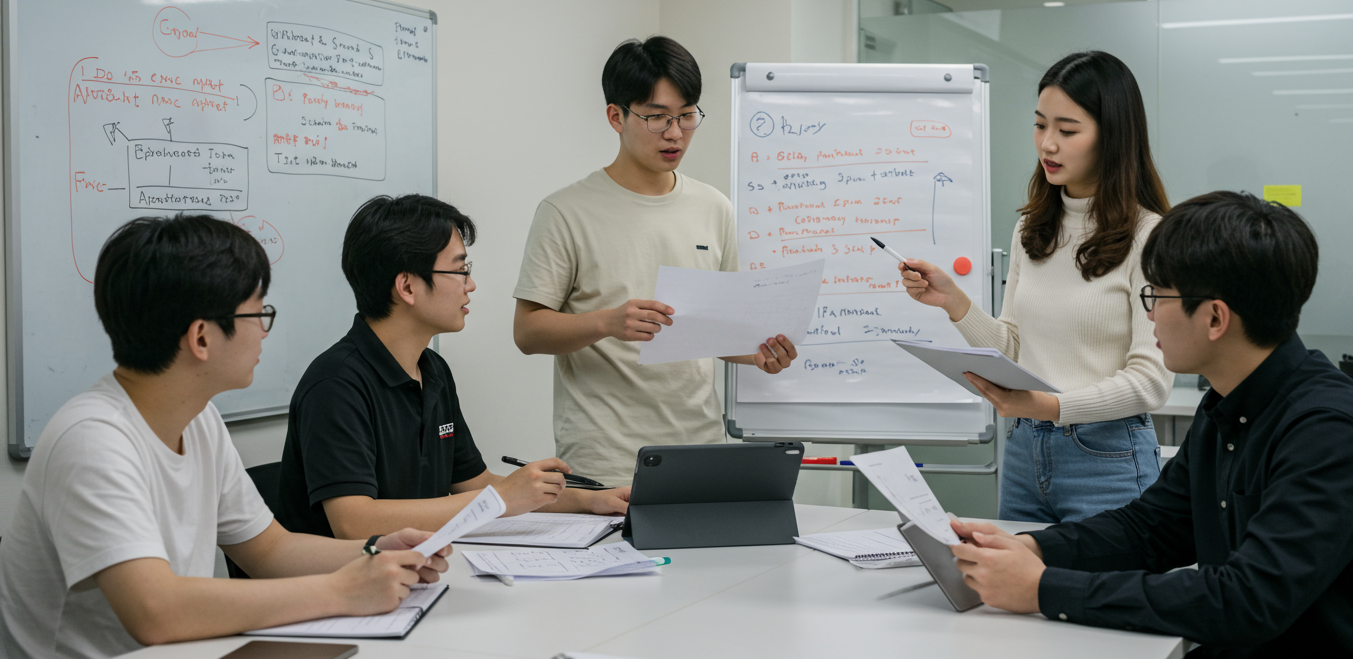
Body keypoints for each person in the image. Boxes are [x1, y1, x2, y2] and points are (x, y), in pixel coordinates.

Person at [946, 191, 1353, 655]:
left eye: (1158, 296)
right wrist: (1035, 549)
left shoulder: (1328, 431)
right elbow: (1153, 528)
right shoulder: (1227, 405)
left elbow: (1248, 601)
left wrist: (1044, 589)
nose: (1149, 314)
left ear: (1214, 318)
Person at [0, 215, 450, 659]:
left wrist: (375, 549)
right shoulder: (92, 440)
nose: (262, 330)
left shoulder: (200, 420)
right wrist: (341, 591)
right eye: (257, 313)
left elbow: (270, 551)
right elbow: (154, 611)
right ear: (201, 337)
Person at [511, 36, 797, 487]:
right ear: (616, 116)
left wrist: (759, 355)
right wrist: (606, 323)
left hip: (699, 451)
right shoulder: (566, 211)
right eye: (657, 117)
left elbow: (714, 330)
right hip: (605, 461)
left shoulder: (714, 207)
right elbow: (527, 333)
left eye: (687, 116)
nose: (675, 133)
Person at [901, 50, 1171, 522]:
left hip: (1106, 456)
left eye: (1067, 131)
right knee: (1014, 595)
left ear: (1114, 138)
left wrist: (1049, 405)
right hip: (1026, 451)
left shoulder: (1151, 236)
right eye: (1040, 125)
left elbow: (1150, 382)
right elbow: (1017, 347)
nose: (1047, 144)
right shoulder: (1033, 228)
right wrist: (955, 303)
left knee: (1097, 595)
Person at [277, 194, 630, 541]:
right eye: (460, 270)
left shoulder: (432, 370)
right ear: (407, 286)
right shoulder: (336, 384)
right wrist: (500, 499)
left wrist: (589, 500)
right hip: (337, 588)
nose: (470, 285)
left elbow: (476, 483)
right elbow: (354, 522)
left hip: (413, 571)